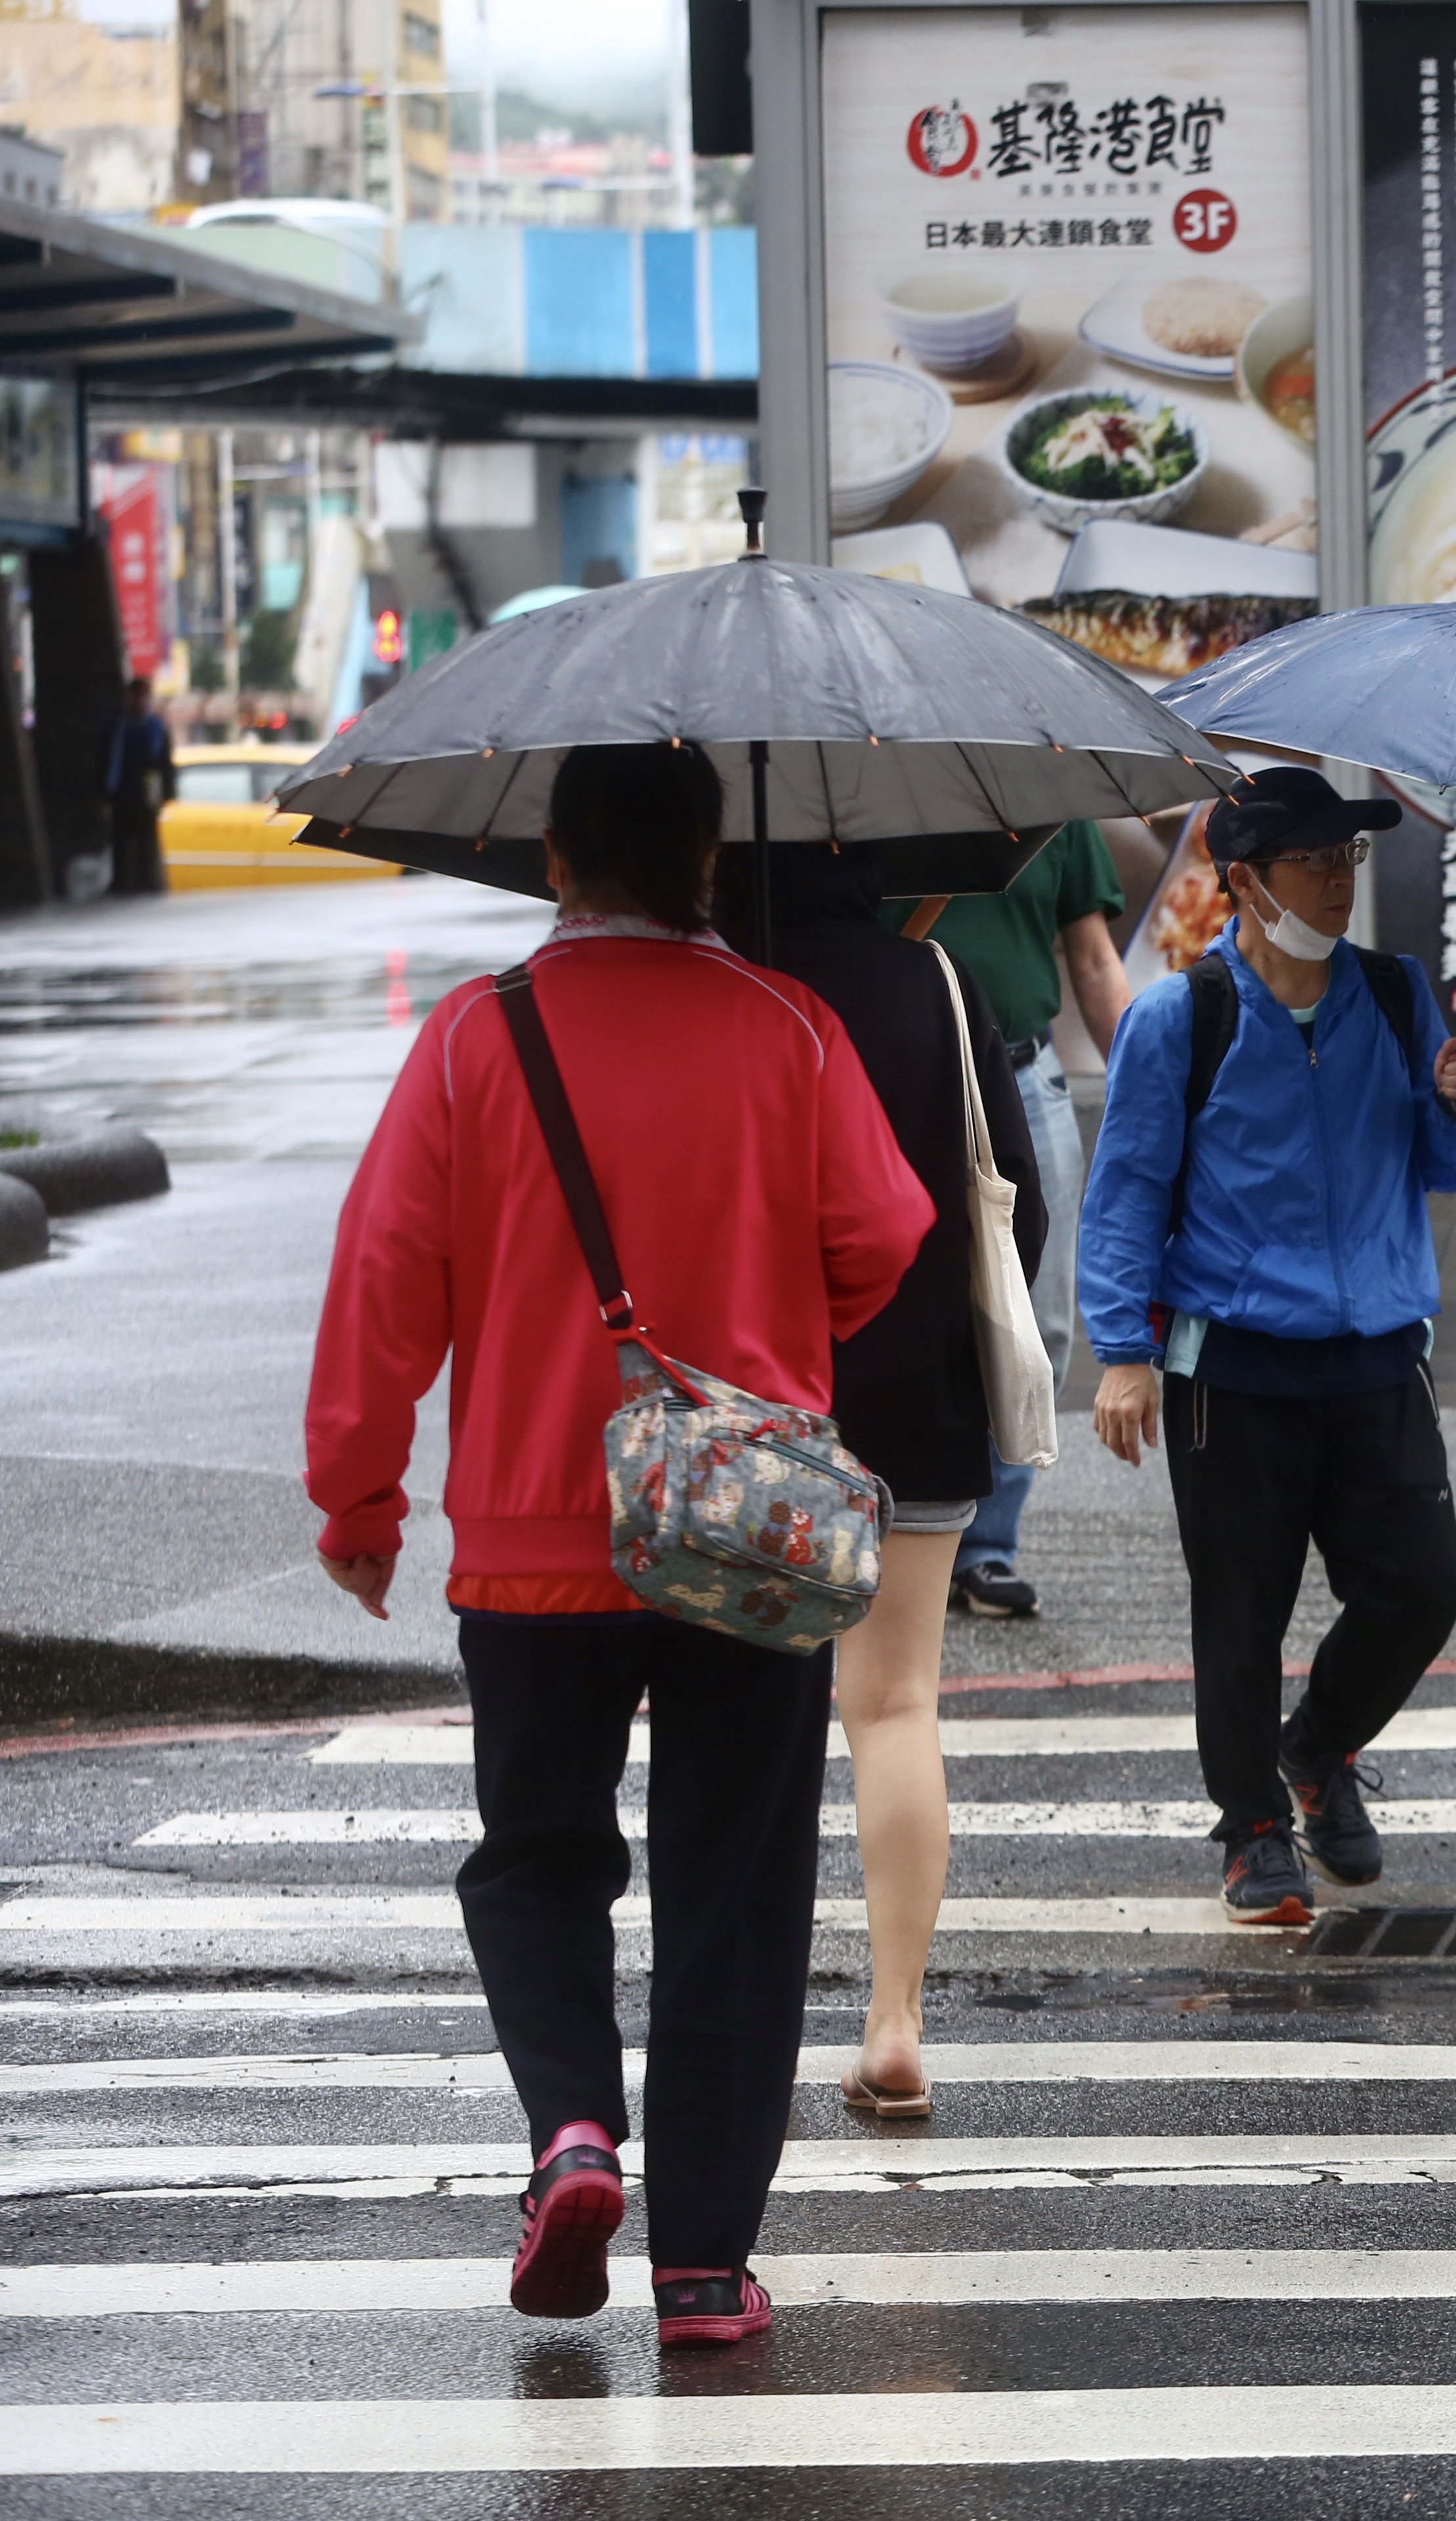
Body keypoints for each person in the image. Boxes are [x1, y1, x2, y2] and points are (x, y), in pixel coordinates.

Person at [305, 743, 930, 2348]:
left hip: (530, 1532)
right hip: (745, 1528)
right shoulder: (790, 1028)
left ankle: (572, 2129)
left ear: (553, 856)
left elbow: (389, 1275)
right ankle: (705, 2266)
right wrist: (764, 1351)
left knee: (535, 1857)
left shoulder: (474, 1036)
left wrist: (360, 1492)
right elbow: (882, 1239)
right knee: (733, 1885)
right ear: (706, 861)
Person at [1077, 767, 1456, 1926]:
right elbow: (1126, 1195)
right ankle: (1253, 1822)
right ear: (1245, 881)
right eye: (1314, 860)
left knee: (1423, 1584)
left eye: (1349, 858)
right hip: (1236, 1367)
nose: (1338, 879)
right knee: (1240, 1611)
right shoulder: (1181, 1016)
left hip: (1376, 1354)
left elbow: (1443, 1167)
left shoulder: (1397, 993)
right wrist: (1123, 1347)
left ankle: (1316, 1750)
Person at [738, 845, 1047, 2121]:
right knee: (895, 1705)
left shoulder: (731, 987)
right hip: (922, 1395)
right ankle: (896, 2020)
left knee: (753, 1732)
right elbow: (1017, 1208)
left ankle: (743, 2022)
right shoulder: (940, 979)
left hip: (755, 1405)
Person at [900, 817, 1134, 1620]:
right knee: (903, 1303)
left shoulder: (1047, 794)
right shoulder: (870, 784)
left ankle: (985, 1547)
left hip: (1026, 1076)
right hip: (897, 1069)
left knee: (1036, 1320)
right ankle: (892, 1521)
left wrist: (1157, 1093)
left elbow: (1095, 958)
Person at [105, 676, 173, 897]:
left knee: (145, 838)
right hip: (124, 792)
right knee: (121, 838)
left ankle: (146, 881)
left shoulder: (154, 726)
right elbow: (111, 760)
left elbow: (164, 763)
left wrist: (165, 792)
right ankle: (124, 881)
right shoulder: (119, 726)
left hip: (144, 792)